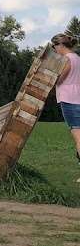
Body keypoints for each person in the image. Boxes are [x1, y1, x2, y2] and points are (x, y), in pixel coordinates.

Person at [51, 32, 80, 175]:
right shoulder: (77, 58)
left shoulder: (67, 59)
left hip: (69, 99)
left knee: (78, 137)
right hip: (78, 98)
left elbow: (59, 79)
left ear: (61, 45)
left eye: (54, 46)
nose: (54, 49)